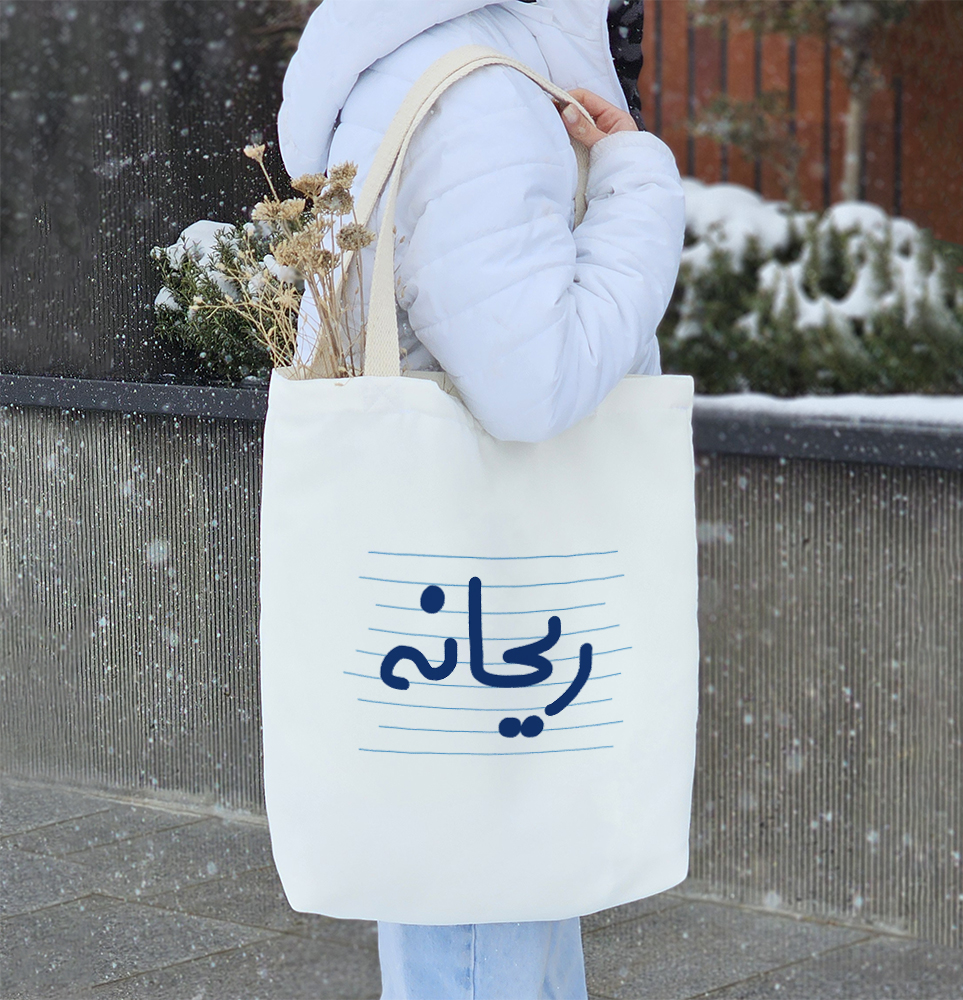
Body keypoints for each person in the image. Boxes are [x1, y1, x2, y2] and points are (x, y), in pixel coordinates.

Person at [278, 1, 685, 996]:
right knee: (483, 917)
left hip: (467, 615)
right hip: (494, 626)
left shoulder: (431, 60)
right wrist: (637, 185)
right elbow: (532, 384)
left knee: (489, 896)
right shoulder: (479, 95)